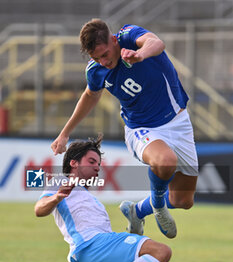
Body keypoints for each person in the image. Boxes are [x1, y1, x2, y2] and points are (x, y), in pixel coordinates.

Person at [51, 19, 198, 239]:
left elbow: (156, 42)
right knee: (165, 161)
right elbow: (90, 95)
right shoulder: (96, 71)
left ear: (113, 40)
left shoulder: (129, 37)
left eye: (105, 54)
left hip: (178, 122)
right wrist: (64, 133)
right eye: (96, 58)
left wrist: (140, 55)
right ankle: (158, 204)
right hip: (141, 128)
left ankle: (137, 211)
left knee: (183, 201)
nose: (103, 61)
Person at [35, 136, 183, 262]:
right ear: (73, 163)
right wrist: (56, 197)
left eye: (99, 163)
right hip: (90, 246)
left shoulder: (91, 198)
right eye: (91, 161)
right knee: (162, 251)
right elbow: (39, 209)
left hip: (101, 253)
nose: (97, 167)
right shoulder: (59, 182)